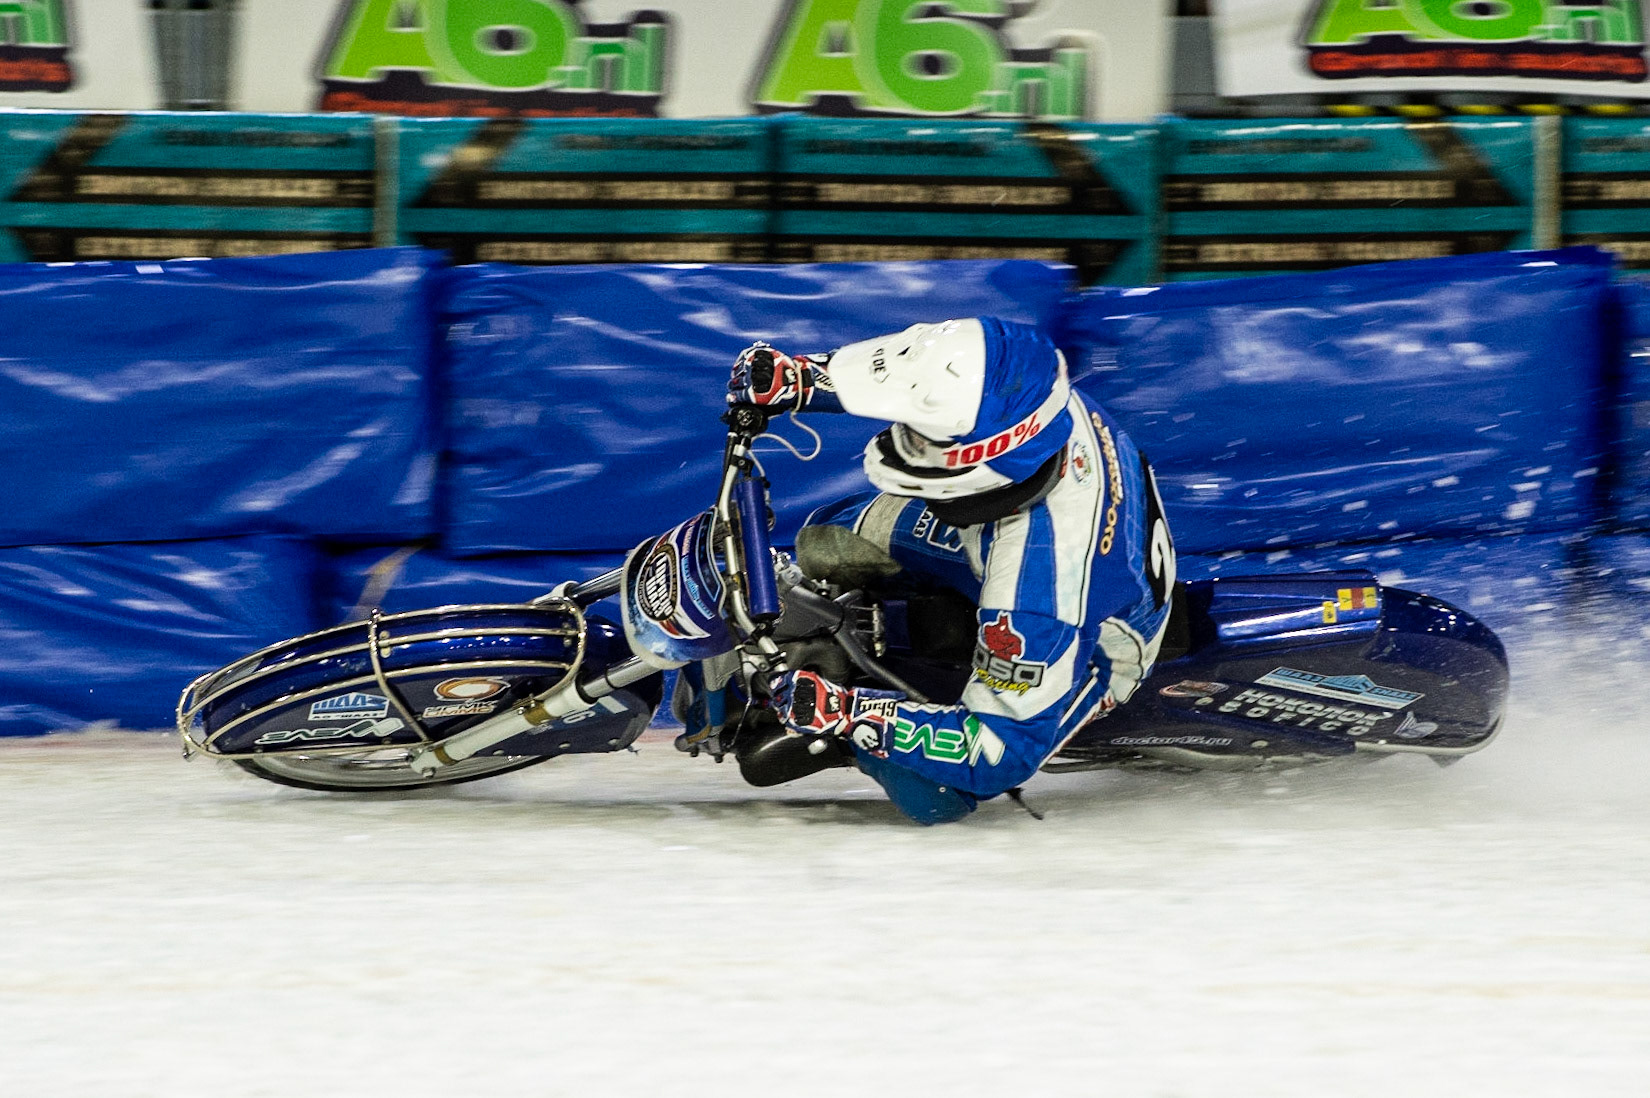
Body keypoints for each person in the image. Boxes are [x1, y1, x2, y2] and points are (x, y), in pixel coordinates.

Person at [723, 317, 1177, 824]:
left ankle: (859, 734)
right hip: (1020, 523)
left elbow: (996, 755)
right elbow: (904, 379)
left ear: (987, 461)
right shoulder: (1023, 383)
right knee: (833, 533)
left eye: (925, 443)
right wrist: (798, 378)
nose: (910, 442)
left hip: (1094, 644)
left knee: (936, 793)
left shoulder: (1044, 589)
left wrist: (849, 714)